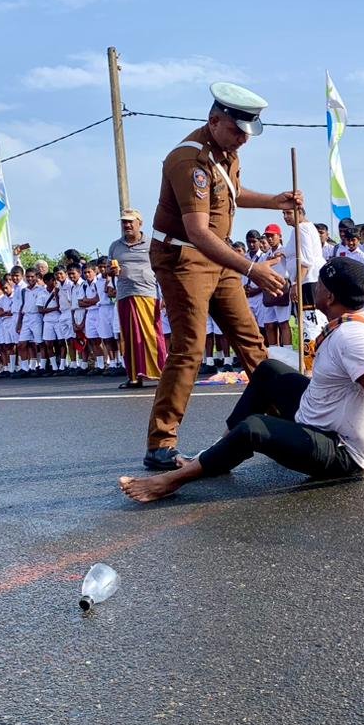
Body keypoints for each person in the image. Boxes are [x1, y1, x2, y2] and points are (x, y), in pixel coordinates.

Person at [119, 259, 364, 503]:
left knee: (254, 428)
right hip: (317, 417)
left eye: (320, 284)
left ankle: (172, 481)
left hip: (339, 449)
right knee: (268, 370)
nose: (315, 287)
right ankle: (216, 454)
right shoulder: (349, 323)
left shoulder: (353, 337)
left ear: (330, 297)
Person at [144, 82, 295, 471]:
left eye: (248, 132)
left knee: (252, 343)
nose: (244, 139)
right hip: (184, 257)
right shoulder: (188, 161)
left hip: (220, 254)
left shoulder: (227, 152)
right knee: (190, 347)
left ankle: (285, 423)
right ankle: (161, 443)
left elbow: (232, 192)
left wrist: (274, 200)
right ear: (214, 121)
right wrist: (251, 269)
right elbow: (197, 232)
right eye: (237, 130)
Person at [109, 208, 163, 389]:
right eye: (124, 222)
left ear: (140, 223)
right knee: (129, 338)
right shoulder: (115, 246)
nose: (127, 225)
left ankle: (160, 374)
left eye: (130, 221)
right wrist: (112, 272)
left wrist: (164, 295)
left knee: (151, 335)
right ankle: (134, 377)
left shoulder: (152, 244)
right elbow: (109, 270)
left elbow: (162, 269)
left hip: (148, 293)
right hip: (125, 294)